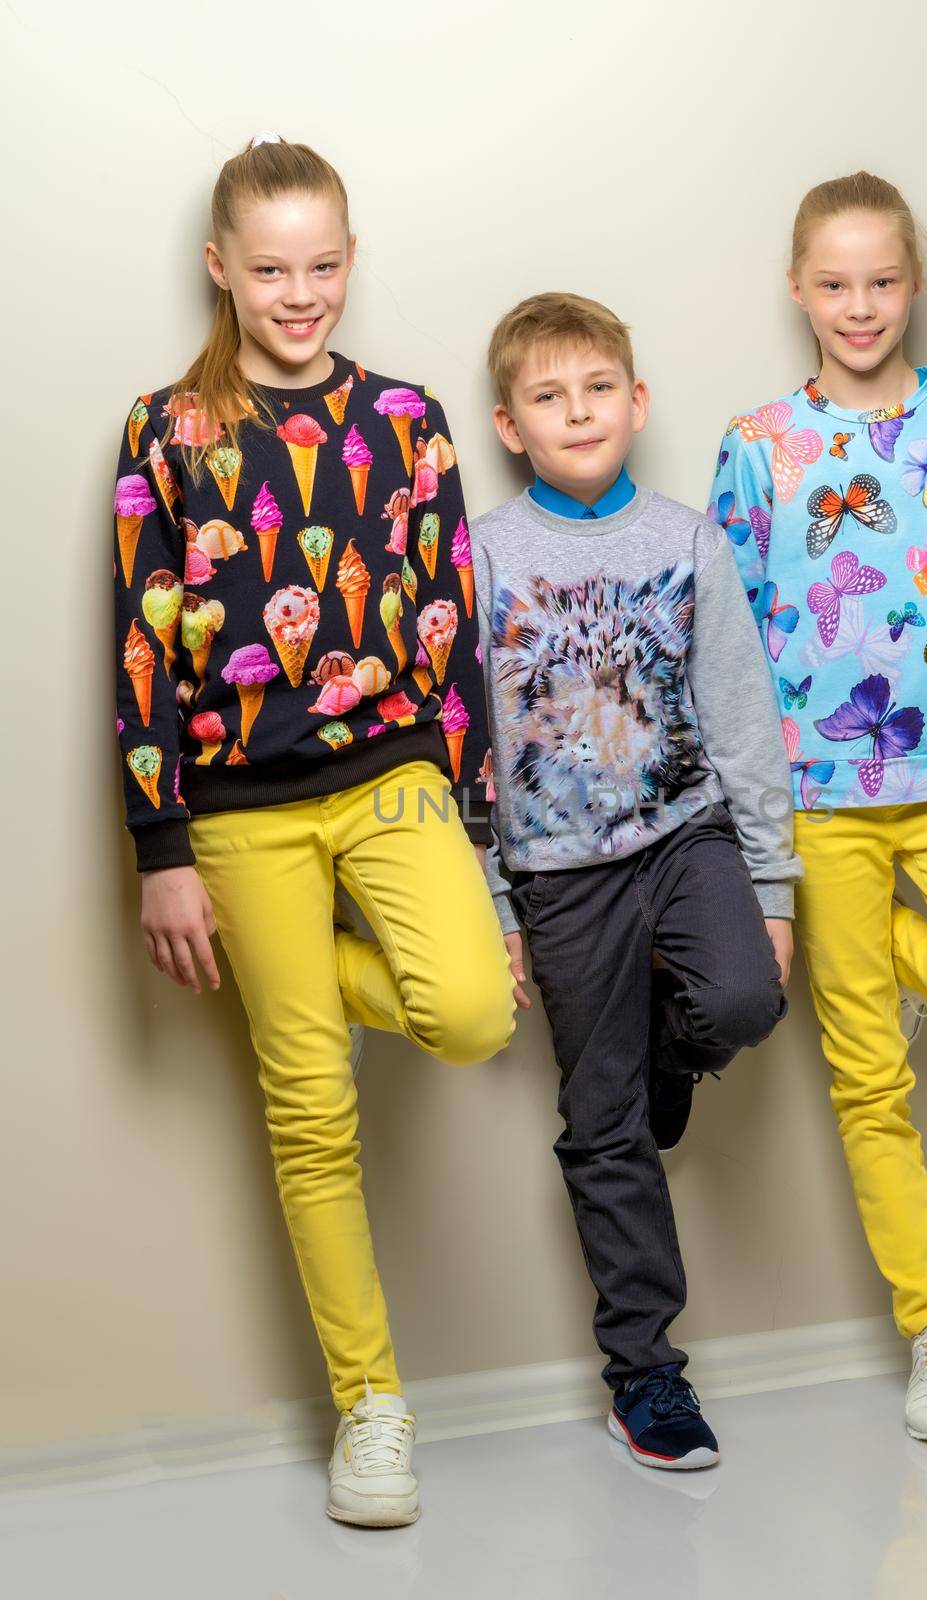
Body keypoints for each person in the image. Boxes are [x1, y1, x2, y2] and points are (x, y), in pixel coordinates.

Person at [112, 133, 515, 1526]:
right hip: (237, 813)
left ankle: (323, 991)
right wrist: (160, 847)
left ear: (353, 259)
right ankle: (372, 1407)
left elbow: (452, 614)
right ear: (219, 267)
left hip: (395, 772)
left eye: (324, 264)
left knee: (468, 1010)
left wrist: (468, 823)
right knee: (311, 1113)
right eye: (270, 267)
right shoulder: (165, 430)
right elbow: (144, 643)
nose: (300, 293)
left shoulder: (405, 417)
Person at [709, 171, 927, 1442]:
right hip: (816, 801)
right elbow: (731, 654)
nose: (860, 307)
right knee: (866, 1076)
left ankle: (913, 966)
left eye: (884, 280)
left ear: (917, 284)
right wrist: (754, 839)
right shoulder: (758, 446)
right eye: (835, 283)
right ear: (797, 288)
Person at [472, 292, 802, 1470]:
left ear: (637, 399)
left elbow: (744, 722)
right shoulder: (484, 554)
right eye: (548, 396)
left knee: (742, 1001)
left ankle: (678, 1051)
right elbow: (468, 746)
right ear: (510, 424)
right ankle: (647, 1374)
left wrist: (772, 889)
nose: (578, 412)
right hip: (557, 877)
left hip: (684, 835)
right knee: (602, 1120)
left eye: (597, 388)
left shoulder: (687, 541)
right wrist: (495, 900)